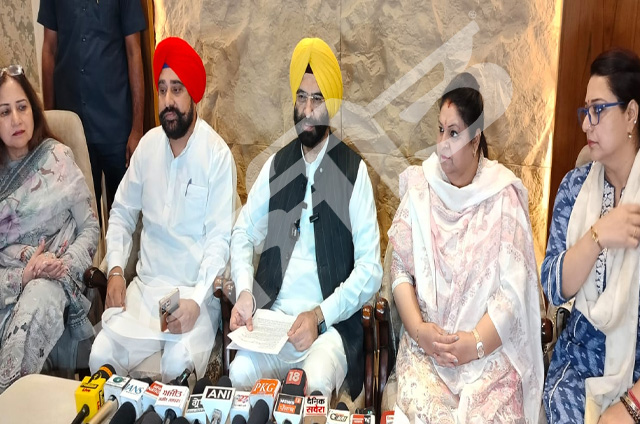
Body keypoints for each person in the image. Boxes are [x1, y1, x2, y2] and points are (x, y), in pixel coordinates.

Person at [229, 37, 382, 399]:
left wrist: (319, 315)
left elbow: (371, 270)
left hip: (328, 330)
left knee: (311, 386)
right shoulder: (277, 165)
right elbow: (243, 232)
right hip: (273, 324)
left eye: (317, 99)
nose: (308, 110)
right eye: (301, 97)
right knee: (239, 374)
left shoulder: (354, 172)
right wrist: (246, 291)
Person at [388, 73, 543, 423]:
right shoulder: (421, 187)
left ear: (475, 141)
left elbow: (513, 294)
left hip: (488, 358)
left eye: (454, 133)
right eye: (440, 130)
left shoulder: (502, 197)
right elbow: (399, 270)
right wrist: (419, 332)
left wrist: (473, 344)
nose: (443, 143)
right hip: (427, 355)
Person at [89, 37, 236, 381]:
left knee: (176, 366)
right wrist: (115, 270)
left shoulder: (216, 156)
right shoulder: (147, 147)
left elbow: (220, 241)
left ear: (193, 95)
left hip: (193, 296)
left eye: (177, 90)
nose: (168, 101)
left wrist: (197, 301)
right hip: (144, 293)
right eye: (162, 89)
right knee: (100, 355)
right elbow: (121, 213)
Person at [542, 49, 640, 424]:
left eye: (598, 110)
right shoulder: (575, 187)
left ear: (631, 114)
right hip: (578, 362)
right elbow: (553, 286)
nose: (586, 124)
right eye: (586, 111)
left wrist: (631, 406)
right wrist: (598, 235)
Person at [0, 65, 99, 393]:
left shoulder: (58, 158)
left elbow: (90, 227)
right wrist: (24, 274)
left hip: (57, 279)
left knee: (38, 299)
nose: (16, 119)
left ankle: (11, 401)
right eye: (4, 112)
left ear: (33, 109)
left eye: (22, 107)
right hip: (10, 283)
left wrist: (61, 266)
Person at [38, 0, 147, 213]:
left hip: (116, 125)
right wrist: (49, 123)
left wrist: (136, 129)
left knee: (125, 213)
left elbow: (134, 52)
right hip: (72, 126)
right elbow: (49, 49)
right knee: (79, 217)